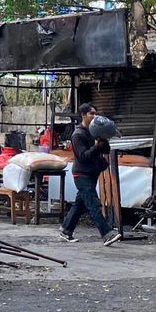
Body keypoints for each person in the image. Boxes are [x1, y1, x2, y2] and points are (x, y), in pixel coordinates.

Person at [59, 103, 122, 246]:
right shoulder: (78, 135)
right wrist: (96, 147)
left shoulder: (94, 132)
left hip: (92, 173)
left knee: (80, 204)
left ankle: (66, 230)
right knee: (93, 205)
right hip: (82, 174)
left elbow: (104, 150)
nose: (94, 116)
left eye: (95, 113)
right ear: (83, 115)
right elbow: (83, 156)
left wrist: (103, 143)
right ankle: (107, 234)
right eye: (91, 113)